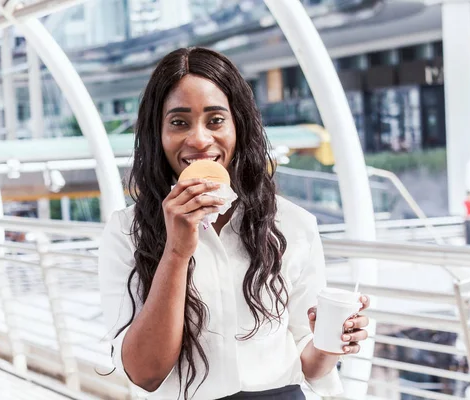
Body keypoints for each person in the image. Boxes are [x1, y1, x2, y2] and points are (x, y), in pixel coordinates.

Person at [97, 47, 370, 400]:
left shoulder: (292, 224)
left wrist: (332, 341)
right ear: (157, 134)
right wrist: (177, 251)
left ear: (239, 125)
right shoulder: (126, 232)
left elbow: (309, 366)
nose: (199, 139)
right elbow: (145, 374)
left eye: (215, 120)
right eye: (179, 122)